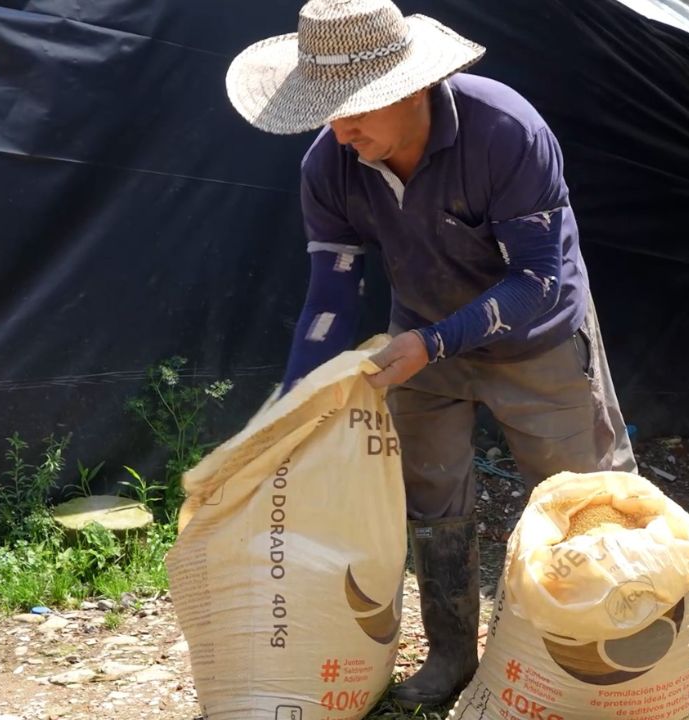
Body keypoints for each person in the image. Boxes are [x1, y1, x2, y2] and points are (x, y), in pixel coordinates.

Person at [226, 0, 636, 707]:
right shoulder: (330, 165)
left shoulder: (504, 130)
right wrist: (292, 404)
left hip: (537, 337)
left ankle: (596, 669)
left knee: (584, 503)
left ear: (414, 87)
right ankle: (452, 658)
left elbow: (538, 280)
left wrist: (433, 341)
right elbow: (331, 297)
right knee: (433, 501)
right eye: (328, 109)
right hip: (422, 335)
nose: (341, 128)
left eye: (356, 108)